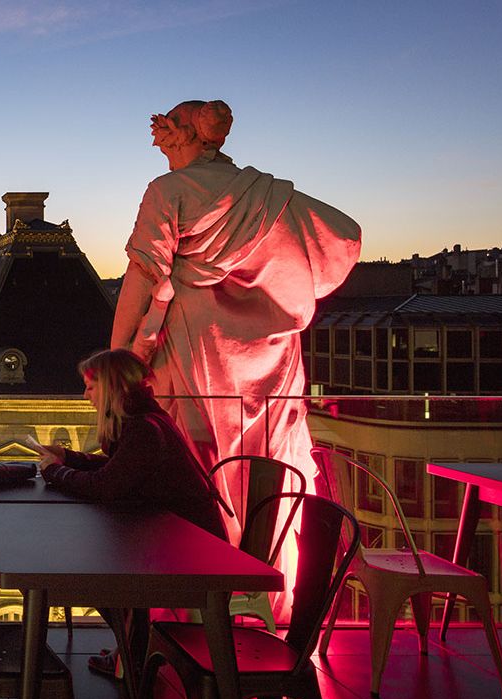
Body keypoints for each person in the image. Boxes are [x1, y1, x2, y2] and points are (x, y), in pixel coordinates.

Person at [111, 99, 360, 521]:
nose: (162, 150)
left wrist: (116, 358)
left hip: (201, 347)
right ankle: (265, 561)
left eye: (165, 139)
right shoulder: (270, 195)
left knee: (197, 456)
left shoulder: (168, 190)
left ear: (180, 135)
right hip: (273, 352)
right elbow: (344, 234)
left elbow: (143, 275)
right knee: (267, 461)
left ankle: (201, 562)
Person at [37, 348, 227, 680]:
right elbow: (117, 471)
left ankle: (132, 653)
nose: (86, 396)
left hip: (191, 551)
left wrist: (55, 472)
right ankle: (131, 648)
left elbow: (104, 486)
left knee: (89, 576)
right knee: (97, 565)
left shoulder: (142, 430)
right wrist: (68, 458)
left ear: (111, 387)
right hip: (182, 537)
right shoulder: (146, 420)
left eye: (91, 387)